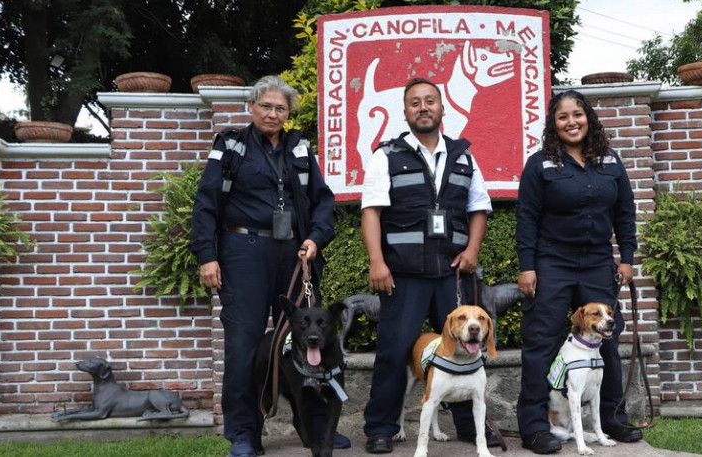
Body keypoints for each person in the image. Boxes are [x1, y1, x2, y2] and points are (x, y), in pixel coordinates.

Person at [189, 75, 345, 457]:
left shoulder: (300, 147)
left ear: (288, 113)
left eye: (281, 108)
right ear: (251, 107)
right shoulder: (230, 145)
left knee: (312, 340)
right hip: (243, 251)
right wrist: (207, 255)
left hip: (295, 253)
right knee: (243, 347)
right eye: (267, 106)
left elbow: (323, 202)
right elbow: (206, 202)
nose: (273, 114)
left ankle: (318, 430)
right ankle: (244, 434)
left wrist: (315, 239)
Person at [360, 78, 495, 454]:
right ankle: (380, 429)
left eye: (430, 101)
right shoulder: (386, 154)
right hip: (403, 275)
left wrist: (472, 250)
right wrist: (377, 262)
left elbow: (478, 207)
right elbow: (371, 211)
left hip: (452, 271)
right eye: (415, 102)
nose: (423, 107)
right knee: (392, 351)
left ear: (442, 107)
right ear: (405, 112)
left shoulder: (464, 156)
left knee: (466, 348)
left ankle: (470, 428)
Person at [514, 89, 642, 454]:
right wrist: (527, 266)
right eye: (563, 117)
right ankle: (536, 427)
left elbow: (625, 214)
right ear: (554, 125)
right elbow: (527, 218)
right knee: (542, 343)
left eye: (577, 114)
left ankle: (612, 419)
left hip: (598, 263)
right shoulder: (540, 164)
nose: (572, 122)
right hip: (552, 262)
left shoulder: (611, 161)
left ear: (589, 117)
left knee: (607, 342)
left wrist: (627, 257)